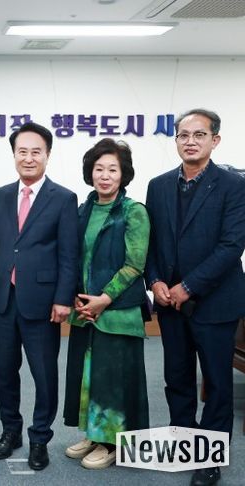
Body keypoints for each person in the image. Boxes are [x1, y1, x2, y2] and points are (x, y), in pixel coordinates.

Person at [145, 108, 245, 486]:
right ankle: (184, 442)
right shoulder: (158, 185)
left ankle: (210, 458)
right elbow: (151, 243)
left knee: (217, 384)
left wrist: (188, 286)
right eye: (183, 135)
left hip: (216, 303)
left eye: (199, 135)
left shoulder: (234, 185)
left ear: (214, 140)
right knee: (177, 378)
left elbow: (231, 246)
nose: (190, 141)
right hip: (170, 304)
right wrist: (155, 280)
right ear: (176, 140)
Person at [0, 122, 79, 469]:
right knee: (4, 372)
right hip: (4, 299)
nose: (28, 158)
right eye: (22, 151)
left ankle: (40, 437)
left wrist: (63, 298)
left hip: (44, 302)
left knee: (44, 375)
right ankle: (10, 431)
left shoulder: (63, 198)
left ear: (47, 155)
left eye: (36, 152)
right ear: (14, 154)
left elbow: (69, 255)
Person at [63, 139, 150, 470]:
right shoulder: (82, 210)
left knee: (114, 379)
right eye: (99, 169)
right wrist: (76, 295)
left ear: (123, 174)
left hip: (117, 311)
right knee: (88, 376)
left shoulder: (133, 211)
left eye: (112, 169)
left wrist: (104, 299)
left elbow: (134, 265)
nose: (105, 175)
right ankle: (94, 433)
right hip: (85, 311)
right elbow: (73, 258)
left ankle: (113, 441)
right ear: (90, 172)